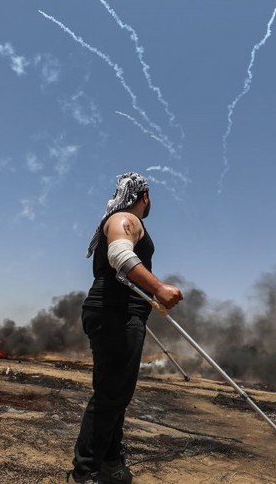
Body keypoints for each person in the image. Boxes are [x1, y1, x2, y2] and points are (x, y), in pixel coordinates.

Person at [69, 172, 184, 483]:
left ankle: (108, 458)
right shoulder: (124, 219)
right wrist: (158, 288)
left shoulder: (125, 219)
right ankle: (86, 471)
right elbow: (119, 254)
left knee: (118, 393)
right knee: (110, 394)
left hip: (122, 313)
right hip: (113, 314)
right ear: (144, 196)